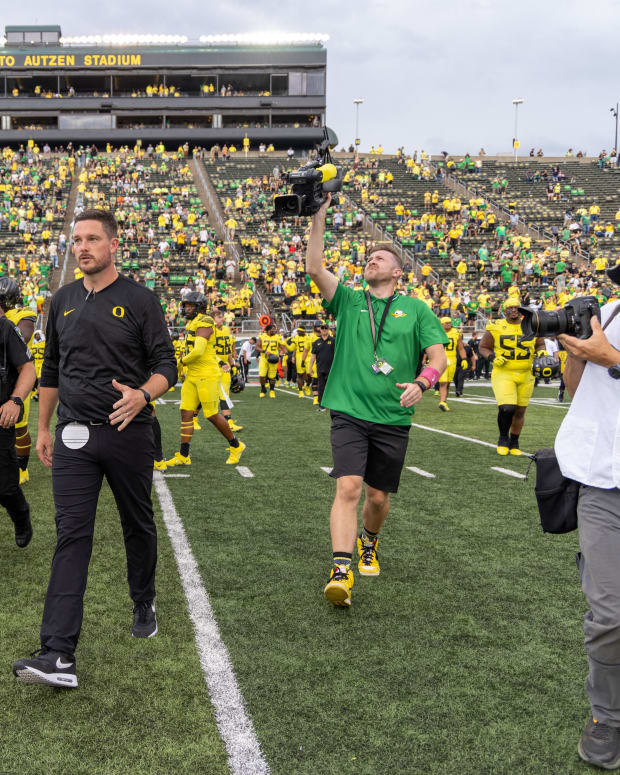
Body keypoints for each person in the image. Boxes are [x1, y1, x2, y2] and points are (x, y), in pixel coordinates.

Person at [13, 209, 177, 689]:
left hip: (129, 431)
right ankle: (57, 653)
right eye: (75, 240)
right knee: (71, 536)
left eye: (91, 239)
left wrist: (143, 394)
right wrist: (43, 427)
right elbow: (51, 371)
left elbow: (168, 363)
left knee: (137, 522)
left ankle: (142, 597)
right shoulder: (61, 299)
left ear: (113, 245)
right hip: (72, 436)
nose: (81, 247)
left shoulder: (141, 300)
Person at [306, 195, 448, 608]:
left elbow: (438, 355)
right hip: (349, 410)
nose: (372, 261)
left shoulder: (416, 309)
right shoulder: (349, 301)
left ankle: (370, 541)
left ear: (397, 272)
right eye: (369, 257)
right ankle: (340, 569)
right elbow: (314, 267)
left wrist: (423, 382)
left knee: (377, 498)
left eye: (381, 258)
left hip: (393, 414)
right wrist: (319, 216)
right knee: (348, 486)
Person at [555, 264, 620, 769]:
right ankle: (607, 717)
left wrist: (611, 357)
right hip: (603, 483)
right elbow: (580, 393)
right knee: (610, 615)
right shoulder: (612, 313)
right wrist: (573, 350)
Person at [165, 292, 246, 467]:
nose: (186, 308)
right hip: (193, 375)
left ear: (200, 307)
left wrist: (180, 362)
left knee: (211, 414)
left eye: (190, 305)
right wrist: (183, 365)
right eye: (185, 305)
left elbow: (199, 351)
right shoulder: (193, 322)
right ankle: (184, 455)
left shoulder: (205, 321)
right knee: (186, 412)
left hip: (206, 375)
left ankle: (236, 446)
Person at [478, 297, 545, 456]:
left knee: (520, 411)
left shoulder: (532, 325)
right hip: (504, 372)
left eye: (516, 307)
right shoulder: (496, 326)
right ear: (504, 309)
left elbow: (540, 344)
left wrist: (542, 352)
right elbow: (483, 347)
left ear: (521, 310)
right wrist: (493, 357)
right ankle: (503, 438)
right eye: (510, 308)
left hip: (526, 373)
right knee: (507, 408)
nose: (513, 310)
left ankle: (514, 441)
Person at [0, 304, 36, 547]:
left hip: (1, 417)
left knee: (5, 487)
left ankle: (21, 516)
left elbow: (28, 368)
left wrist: (15, 400)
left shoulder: (5, 329)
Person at [0, 278, 37, 484]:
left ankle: (22, 469)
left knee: (19, 427)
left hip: (18, 378)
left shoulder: (24, 314)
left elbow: (23, 335)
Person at [437, 317, 468, 411]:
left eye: (450, 322)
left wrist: (464, 359)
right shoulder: (436, 332)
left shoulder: (456, 332)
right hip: (440, 359)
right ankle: (442, 401)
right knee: (443, 381)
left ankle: (444, 402)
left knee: (448, 382)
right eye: (446, 323)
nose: (449, 324)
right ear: (441, 324)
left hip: (452, 359)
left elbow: (461, 348)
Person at [307, 322, 335, 412]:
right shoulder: (316, 342)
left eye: (325, 328)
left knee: (332, 386)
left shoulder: (334, 340)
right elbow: (313, 356)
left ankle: (333, 404)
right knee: (321, 387)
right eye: (322, 328)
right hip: (320, 367)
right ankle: (321, 405)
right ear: (320, 330)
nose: (324, 330)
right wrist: (310, 368)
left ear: (328, 330)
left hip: (331, 368)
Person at [255, 323, 286, 398]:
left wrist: (284, 352)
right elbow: (256, 347)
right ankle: (263, 389)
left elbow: (281, 346)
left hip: (274, 358)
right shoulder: (262, 336)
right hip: (264, 358)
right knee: (262, 375)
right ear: (268, 330)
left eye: (275, 329)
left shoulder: (277, 337)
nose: (275, 331)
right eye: (273, 329)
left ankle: (272, 391)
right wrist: (263, 351)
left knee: (272, 376)